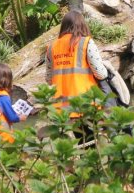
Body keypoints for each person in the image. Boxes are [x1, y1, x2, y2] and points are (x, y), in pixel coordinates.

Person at [45, 11, 109, 141]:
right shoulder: (86, 43)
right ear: (82, 25)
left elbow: (48, 78)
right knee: (91, 144)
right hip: (86, 104)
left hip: (62, 108)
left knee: (78, 143)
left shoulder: (52, 47)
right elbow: (101, 73)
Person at [0, 62, 28, 144]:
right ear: (6, 80)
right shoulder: (3, 96)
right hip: (4, 135)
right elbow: (12, 117)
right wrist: (20, 117)